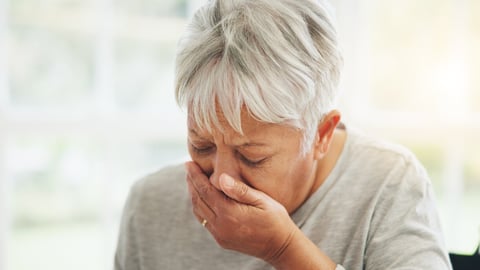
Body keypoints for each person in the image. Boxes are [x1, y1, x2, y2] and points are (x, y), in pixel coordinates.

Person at [114, 0, 452, 269]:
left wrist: (284, 249)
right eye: (202, 145)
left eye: (252, 156)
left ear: (321, 134)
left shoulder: (390, 183)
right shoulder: (148, 206)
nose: (221, 179)